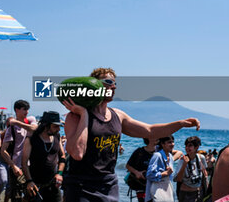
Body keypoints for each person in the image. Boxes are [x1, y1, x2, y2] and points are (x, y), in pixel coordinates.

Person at [62, 67, 200, 202]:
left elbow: (150, 130)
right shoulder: (75, 117)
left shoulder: (118, 115)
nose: (114, 87)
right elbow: (77, 153)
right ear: (94, 85)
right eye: (109, 82)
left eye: (115, 83)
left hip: (109, 184)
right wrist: (84, 114)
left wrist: (180, 123)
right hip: (81, 185)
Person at [22, 111, 66, 202]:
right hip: (35, 185)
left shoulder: (57, 136)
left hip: (53, 184)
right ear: (46, 125)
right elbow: (24, 162)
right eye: (55, 126)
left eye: (59, 126)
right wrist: (29, 181)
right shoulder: (32, 139)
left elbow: (62, 156)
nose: (58, 129)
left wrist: (60, 173)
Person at [0, 100, 38, 202]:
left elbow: (34, 129)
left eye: (28, 109)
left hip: (31, 166)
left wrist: (16, 122)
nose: (27, 112)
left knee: (31, 194)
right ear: (17, 110)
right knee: (16, 194)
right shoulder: (11, 129)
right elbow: (3, 151)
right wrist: (13, 166)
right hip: (18, 167)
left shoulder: (30, 120)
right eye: (24, 109)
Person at [174, 136, 208, 202]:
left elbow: (205, 174)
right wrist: (184, 164)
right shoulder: (182, 160)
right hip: (186, 194)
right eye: (186, 146)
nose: (187, 148)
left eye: (190, 146)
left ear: (196, 147)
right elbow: (178, 179)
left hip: (199, 193)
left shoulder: (201, 158)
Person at [145, 136, 175, 202]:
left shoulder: (170, 156)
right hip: (155, 192)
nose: (172, 144)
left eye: (173, 142)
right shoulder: (157, 155)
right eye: (169, 142)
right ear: (162, 144)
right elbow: (149, 175)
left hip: (166, 191)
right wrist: (163, 174)